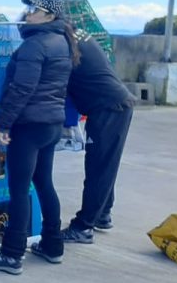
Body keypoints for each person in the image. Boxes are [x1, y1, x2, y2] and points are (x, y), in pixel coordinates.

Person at [0, 0, 77, 275]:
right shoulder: (61, 41)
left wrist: (4, 123)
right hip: (50, 125)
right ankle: (52, 245)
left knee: (19, 190)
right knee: (44, 183)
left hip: (29, 125)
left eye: (34, 9)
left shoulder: (35, 44)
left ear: (49, 16)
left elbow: (22, 88)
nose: (28, 13)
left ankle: (11, 255)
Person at [60, 27, 137, 244]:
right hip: (116, 103)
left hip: (108, 107)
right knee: (104, 164)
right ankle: (102, 214)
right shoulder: (75, 34)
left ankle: (83, 226)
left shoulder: (61, 42)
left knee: (98, 167)